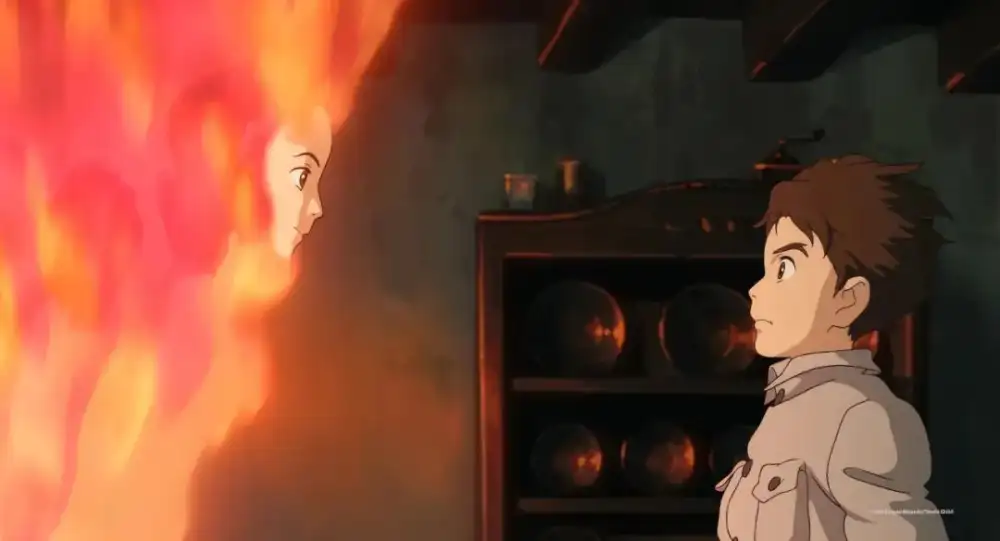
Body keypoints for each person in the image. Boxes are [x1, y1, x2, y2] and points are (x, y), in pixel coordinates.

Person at [716, 155, 951, 541]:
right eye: (767, 269)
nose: (756, 289)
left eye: (784, 268)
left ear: (848, 298)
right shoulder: (788, 411)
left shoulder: (862, 416)